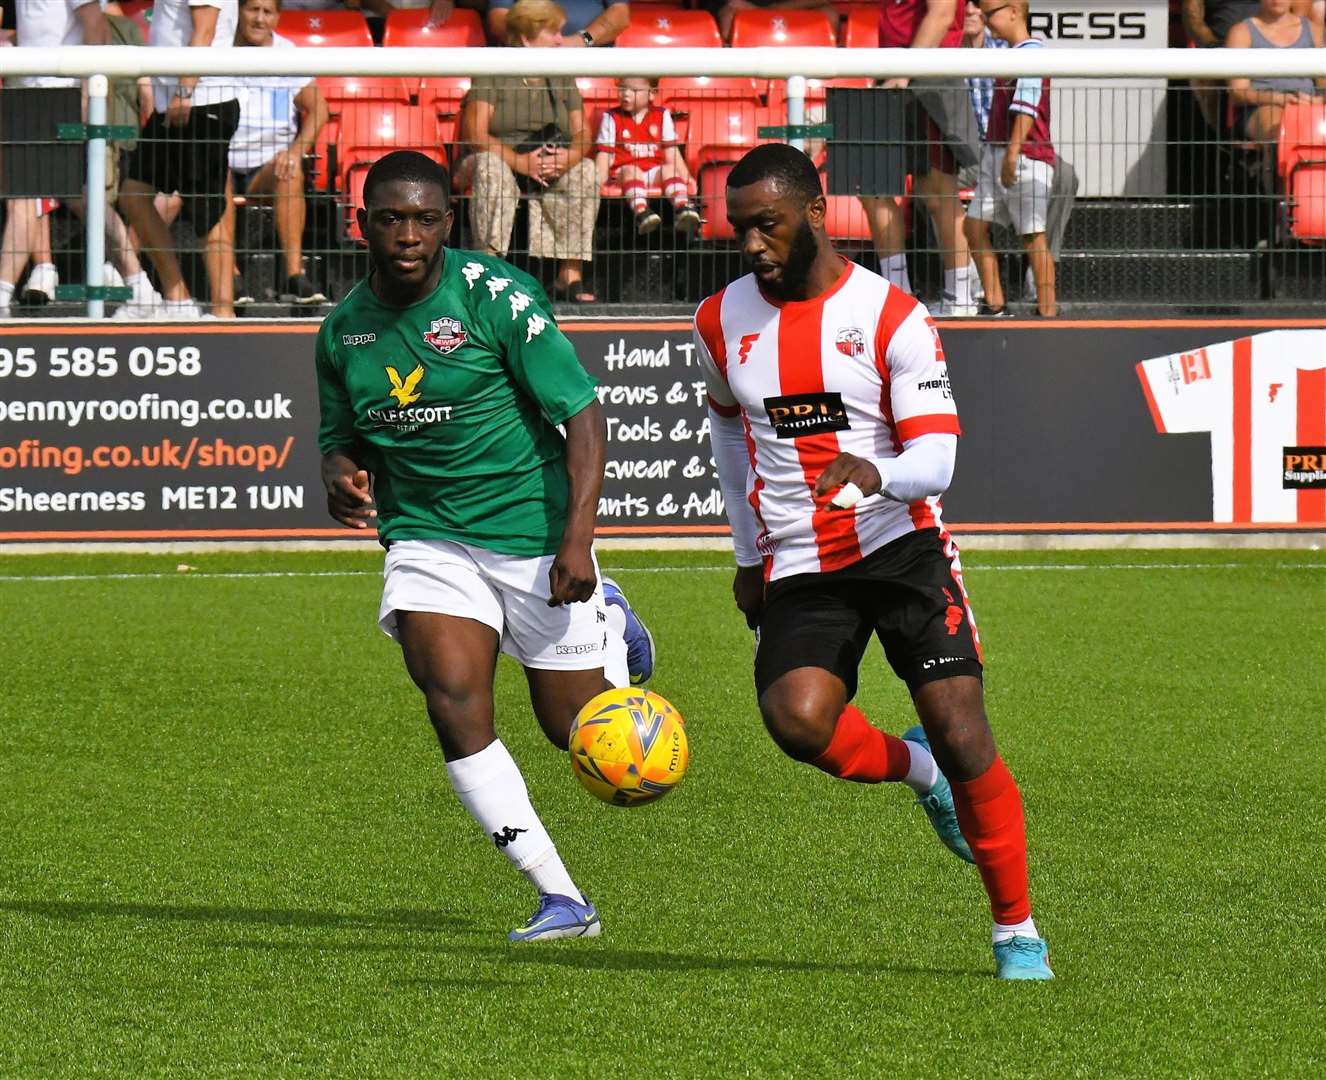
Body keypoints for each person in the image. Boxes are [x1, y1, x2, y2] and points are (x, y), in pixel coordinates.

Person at [694, 142, 1051, 980]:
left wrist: (875, 473)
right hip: (800, 560)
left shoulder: (893, 316)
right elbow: (723, 427)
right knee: (797, 722)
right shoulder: (718, 320)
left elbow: (937, 465)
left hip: (902, 547)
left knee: (967, 733)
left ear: (816, 215)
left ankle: (1016, 932)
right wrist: (748, 553)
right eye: (740, 230)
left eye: (768, 226)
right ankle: (916, 768)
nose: (752, 246)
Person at [315, 150, 657, 942]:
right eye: (391, 218)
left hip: (533, 535)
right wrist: (340, 475)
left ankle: (609, 610)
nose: (408, 235)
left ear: (448, 222)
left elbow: (584, 416)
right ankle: (561, 898)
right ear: (361, 222)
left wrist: (579, 541)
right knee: (453, 700)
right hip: (427, 539)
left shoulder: (496, 297)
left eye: (425, 219)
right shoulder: (343, 332)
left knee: (580, 738)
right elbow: (339, 440)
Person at [0, 0, 163, 318]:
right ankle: (141, 288)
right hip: (32, 93)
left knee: (26, 196)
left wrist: (88, 95)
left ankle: (2, 295)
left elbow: (96, 27)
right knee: (81, 197)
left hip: (57, 94)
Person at [457, 0, 600, 303]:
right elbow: (475, 134)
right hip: (498, 157)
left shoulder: (560, 72)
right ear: (526, 37)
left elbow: (583, 131)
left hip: (548, 161)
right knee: (490, 168)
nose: (561, 40)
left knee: (586, 170)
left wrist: (569, 158)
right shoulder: (492, 69)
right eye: (554, 33)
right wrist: (520, 162)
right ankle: (487, 268)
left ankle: (569, 276)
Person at [118, 0, 241, 319]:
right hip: (172, 105)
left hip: (199, 103)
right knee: (134, 194)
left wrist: (184, 92)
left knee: (208, 213)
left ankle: (223, 315)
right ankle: (178, 299)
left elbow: (205, 31)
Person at [860, 0, 978, 316]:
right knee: (872, 188)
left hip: (929, 78)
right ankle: (899, 297)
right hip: (892, 76)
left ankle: (961, 297)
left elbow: (941, 14)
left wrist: (903, 72)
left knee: (939, 194)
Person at [228, 0, 330, 304]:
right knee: (213, 175)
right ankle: (230, 279)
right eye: (252, 10)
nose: (259, 19)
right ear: (238, 11)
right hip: (222, 161)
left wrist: (295, 152)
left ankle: (296, 277)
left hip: (268, 165)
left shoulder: (286, 53)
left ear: (277, 17)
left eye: (267, 12)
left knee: (290, 171)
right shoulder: (219, 48)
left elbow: (320, 109)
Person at [963, 0, 1057, 318]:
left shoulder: (1031, 53)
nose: (987, 20)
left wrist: (1013, 152)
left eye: (991, 13)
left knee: (1033, 237)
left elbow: (1027, 105)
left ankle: (1048, 313)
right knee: (973, 227)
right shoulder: (1015, 53)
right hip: (1000, 152)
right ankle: (995, 304)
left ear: (1015, 11)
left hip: (1024, 157)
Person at [593, 76, 701, 237]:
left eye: (634, 90)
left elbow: (671, 151)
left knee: (669, 169)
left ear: (651, 94)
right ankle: (642, 213)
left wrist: (686, 177)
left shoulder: (661, 115)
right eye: (622, 89)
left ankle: (683, 208)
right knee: (632, 170)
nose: (626, 94)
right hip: (623, 174)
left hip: (652, 171)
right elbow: (605, 154)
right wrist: (596, 181)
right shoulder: (612, 117)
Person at [1226, 0, 1325, 160]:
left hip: (1309, 106)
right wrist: (1281, 99)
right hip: (1262, 107)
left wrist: (1316, 101)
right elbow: (1237, 92)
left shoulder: (1315, 31)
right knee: (1280, 134)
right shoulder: (1241, 32)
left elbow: (1324, 84)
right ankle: (1278, 183)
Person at [487, 0, 626, 45]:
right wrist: (533, 43)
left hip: (589, 59)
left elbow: (620, 15)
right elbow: (499, 19)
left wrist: (581, 41)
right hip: (528, 62)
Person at [707, 0, 841, 43]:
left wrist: (766, 12)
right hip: (747, 24)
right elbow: (730, 8)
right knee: (729, 19)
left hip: (796, 15)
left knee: (829, 15)